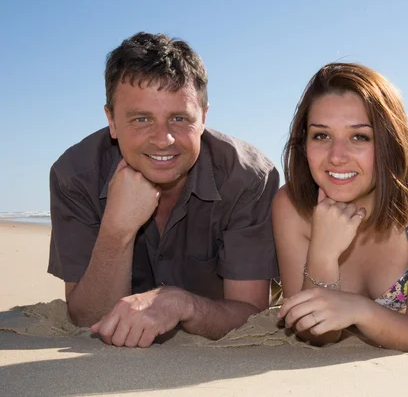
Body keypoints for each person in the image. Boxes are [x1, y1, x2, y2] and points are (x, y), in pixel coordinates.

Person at [48, 32, 279, 348]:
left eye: (179, 118)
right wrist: (117, 230)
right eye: (141, 119)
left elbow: (252, 315)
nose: (163, 139)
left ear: (204, 118)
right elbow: (87, 318)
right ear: (111, 121)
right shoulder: (74, 177)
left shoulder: (248, 178)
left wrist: (182, 304)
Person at [274, 63, 408, 351]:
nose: (337, 157)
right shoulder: (291, 206)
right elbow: (313, 333)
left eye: (359, 136)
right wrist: (323, 254)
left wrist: (358, 310)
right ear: (304, 142)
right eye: (321, 135)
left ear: (389, 142)